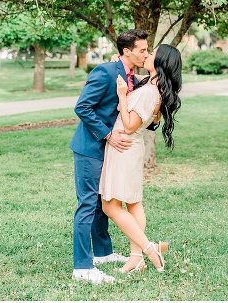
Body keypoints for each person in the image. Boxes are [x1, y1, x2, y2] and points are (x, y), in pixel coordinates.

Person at [70, 29, 152, 284]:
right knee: (87, 205)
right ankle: (82, 268)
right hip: (89, 148)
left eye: (147, 50)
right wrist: (107, 135)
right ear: (126, 51)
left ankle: (103, 253)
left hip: (109, 150)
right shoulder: (104, 72)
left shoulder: (131, 77)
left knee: (101, 202)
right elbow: (82, 106)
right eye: (142, 50)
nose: (146, 54)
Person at [100, 44, 182, 273]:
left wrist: (121, 97)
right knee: (133, 202)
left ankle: (148, 249)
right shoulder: (151, 85)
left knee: (110, 206)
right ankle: (136, 258)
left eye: (151, 53)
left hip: (124, 148)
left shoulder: (149, 92)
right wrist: (121, 62)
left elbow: (128, 126)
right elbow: (130, 76)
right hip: (129, 148)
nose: (147, 55)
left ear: (160, 62)